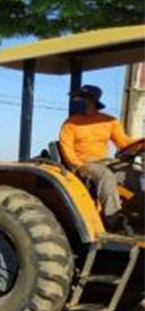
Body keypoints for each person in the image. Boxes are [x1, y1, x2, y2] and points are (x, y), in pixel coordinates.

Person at [59, 85, 141, 233]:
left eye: (82, 98)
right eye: (78, 98)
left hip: (105, 160)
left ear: (93, 101)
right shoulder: (71, 123)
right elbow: (67, 148)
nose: (78, 101)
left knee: (136, 174)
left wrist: (140, 142)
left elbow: (123, 143)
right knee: (105, 175)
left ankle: (139, 215)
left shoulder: (109, 121)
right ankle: (113, 217)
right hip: (83, 162)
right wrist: (77, 165)